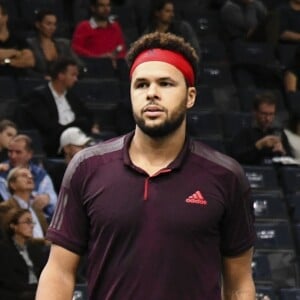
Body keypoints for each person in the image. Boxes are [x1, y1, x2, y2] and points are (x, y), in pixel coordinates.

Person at [36, 32, 255, 300]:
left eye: (165, 83)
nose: (151, 93)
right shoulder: (87, 167)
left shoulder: (226, 176)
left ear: (190, 96)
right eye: (141, 85)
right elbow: (59, 271)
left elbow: (239, 283)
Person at [22, 57, 95, 157]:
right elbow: (47, 127)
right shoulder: (39, 96)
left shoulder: (72, 96)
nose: (76, 79)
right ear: (61, 76)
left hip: (78, 137)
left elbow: (88, 117)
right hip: (55, 143)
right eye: (73, 75)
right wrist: (75, 125)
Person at [0, 134, 57, 219]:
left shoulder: (40, 174)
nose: (13, 156)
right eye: (10, 151)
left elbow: (55, 201)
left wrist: (48, 198)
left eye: (18, 152)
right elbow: (7, 205)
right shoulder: (2, 173)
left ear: (29, 154)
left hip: (41, 220)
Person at [0, 208, 49, 300]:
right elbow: (9, 282)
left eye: (32, 222)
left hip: (37, 292)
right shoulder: (3, 249)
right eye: (27, 222)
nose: (32, 226)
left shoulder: (35, 248)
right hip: (16, 295)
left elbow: (44, 273)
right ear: (13, 226)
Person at [230, 92, 289, 165]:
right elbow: (236, 159)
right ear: (255, 112)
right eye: (264, 114)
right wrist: (259, 145)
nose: (268, 118)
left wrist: (283, 153)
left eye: (271, 114)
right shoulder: (244, 133)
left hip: (274, 173)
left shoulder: (279, 133)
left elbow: (291, 161)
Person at [26, 9, 83, 80]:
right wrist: (42, 77)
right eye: (48, 24)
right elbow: (25, 70)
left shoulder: (64, 45)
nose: (52, 28)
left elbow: (79, 66)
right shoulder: (30, 44)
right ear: (38, 25)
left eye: (54, 24)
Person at [71, 0, 127, 65]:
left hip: (114, 67)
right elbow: (76, 49)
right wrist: (99, 58)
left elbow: (122, 49)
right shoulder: (84, 27)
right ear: (93, 8)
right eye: (102, 5)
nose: (106, 9)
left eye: (108, 5)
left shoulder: (115, 26)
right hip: (92, 67)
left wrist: (117, 60)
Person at [0, 167, 49, 238]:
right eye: (24, 175)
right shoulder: (4, 208)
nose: (30, 177)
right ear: (12, 184)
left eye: (31, 176)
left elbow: (48, 236)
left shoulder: (38, 211)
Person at [45, 127, 94, 193]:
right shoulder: (55, 174)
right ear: (66, 149)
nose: (85, 149)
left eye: (85, 146)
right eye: (80, 146)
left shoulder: (91, 170)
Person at [0, 1, 35, 77]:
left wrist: (7, 61)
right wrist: (16, 53)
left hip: (18, 82)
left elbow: (30, 61)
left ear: (5, 17)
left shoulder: (18, 38)